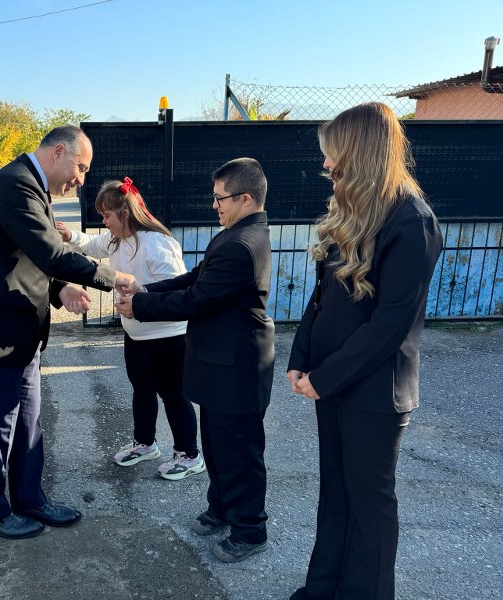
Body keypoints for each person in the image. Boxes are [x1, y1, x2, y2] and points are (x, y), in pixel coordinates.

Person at [0, 125, 135, 540]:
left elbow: (27, 258)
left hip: (20, 332)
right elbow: (50, 251)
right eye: (80, 168)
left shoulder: (29, 186)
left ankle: (30, 498)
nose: (81, 179)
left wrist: (60, 287)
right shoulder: (14, 185)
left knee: (28, 423)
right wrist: (112, 276)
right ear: (58, 152)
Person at [286, 103, 443, 600]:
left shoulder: (411, 222)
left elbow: (390, 325)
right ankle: (322, 589)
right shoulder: (352, 215)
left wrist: (325, 377)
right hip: (330, 382)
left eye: (334, 156)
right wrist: (299, 358)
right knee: (335, 493)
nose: (327, 166)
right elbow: (321, 299)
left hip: (374, 393)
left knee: (369, 504)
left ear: (361, 153)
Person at [116, 158, 274, 563]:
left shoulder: (242, 244)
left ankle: (250, 529)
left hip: (238, 365)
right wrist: (147, 291)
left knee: (239, 451)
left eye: (219, 198)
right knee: (218, 444)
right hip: (219, 361)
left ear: (245, 198)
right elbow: (194, 278)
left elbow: (197, 299)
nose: (214, 205)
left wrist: (142, 307)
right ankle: (221, 508)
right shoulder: (233, 234)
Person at [57, 177, 204, 480]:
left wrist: (140, 300)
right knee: (142, 390)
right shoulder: (116, 240)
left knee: (174, 395)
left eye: (107, 215)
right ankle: (145, 444)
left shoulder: (157, 243)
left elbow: (176, 291)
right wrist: (69, 234)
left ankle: (189, 455)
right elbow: (90, 245)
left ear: (125, 213)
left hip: (167, 336)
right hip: (135, 334)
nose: (104, 221)